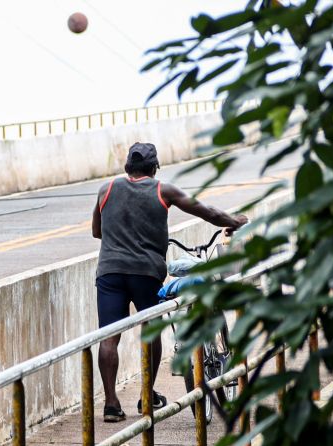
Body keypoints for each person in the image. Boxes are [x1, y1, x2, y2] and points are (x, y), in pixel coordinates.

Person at [92, 142, 248, 422]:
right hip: (146, 273)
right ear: (154, 168)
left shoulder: (107, 189)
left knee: (109, 336)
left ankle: (111, 405)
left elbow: (96, 231)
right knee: (150, 330)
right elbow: (208, 212)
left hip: (109, 272)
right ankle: (146, 396)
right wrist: (234, 221)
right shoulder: (163, 190)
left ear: (128, 167)